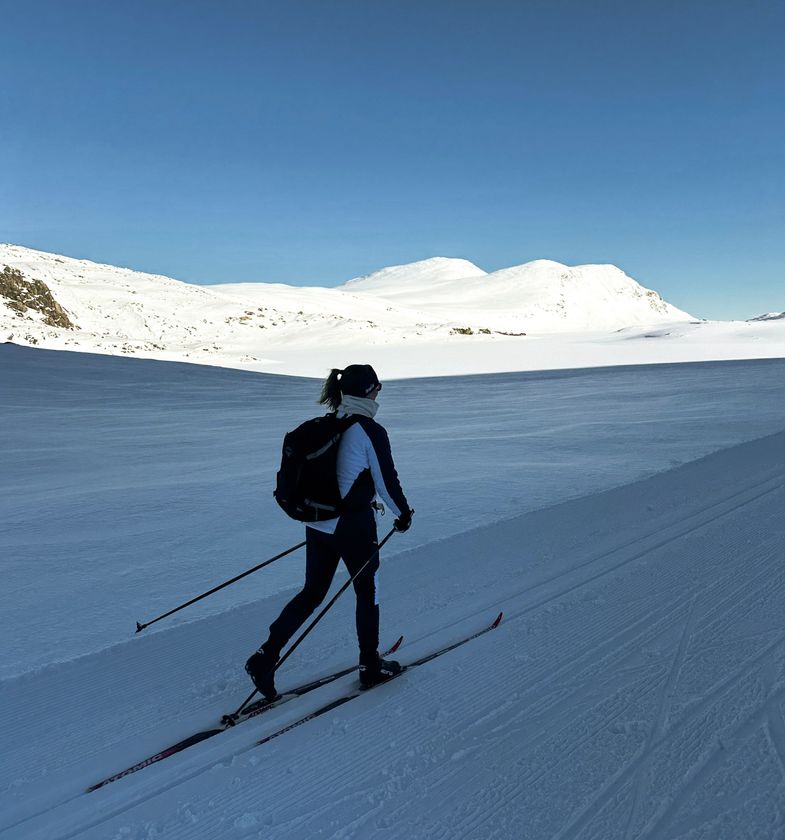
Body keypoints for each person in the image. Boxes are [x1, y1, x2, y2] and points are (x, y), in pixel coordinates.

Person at [246, 364, 413, 699]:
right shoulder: (369, 430)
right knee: (368, 592)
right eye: (377, 387)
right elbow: (386, 482)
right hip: (352, 526)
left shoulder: (329, 424)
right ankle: (370, 666)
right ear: (369, 391)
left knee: (312, 593)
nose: (379, 392)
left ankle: (264, 657)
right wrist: (403, 514)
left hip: (318, 522)